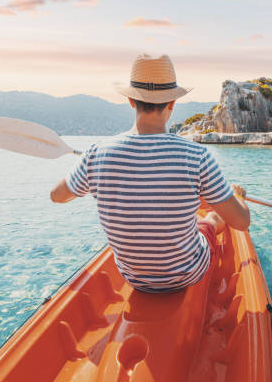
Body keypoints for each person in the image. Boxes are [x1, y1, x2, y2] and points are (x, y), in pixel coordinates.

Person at [50, 53, 250, 293]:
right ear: (172, 102)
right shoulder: (197, 156)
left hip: (133, 278)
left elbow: (57, 196)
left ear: (131, 100)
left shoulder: (96, 153)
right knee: (210, 220)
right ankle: (208, 222)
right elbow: (241, 222)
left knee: (191, 220)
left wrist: (90, 171)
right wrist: (237, 197)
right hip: (189, 274)